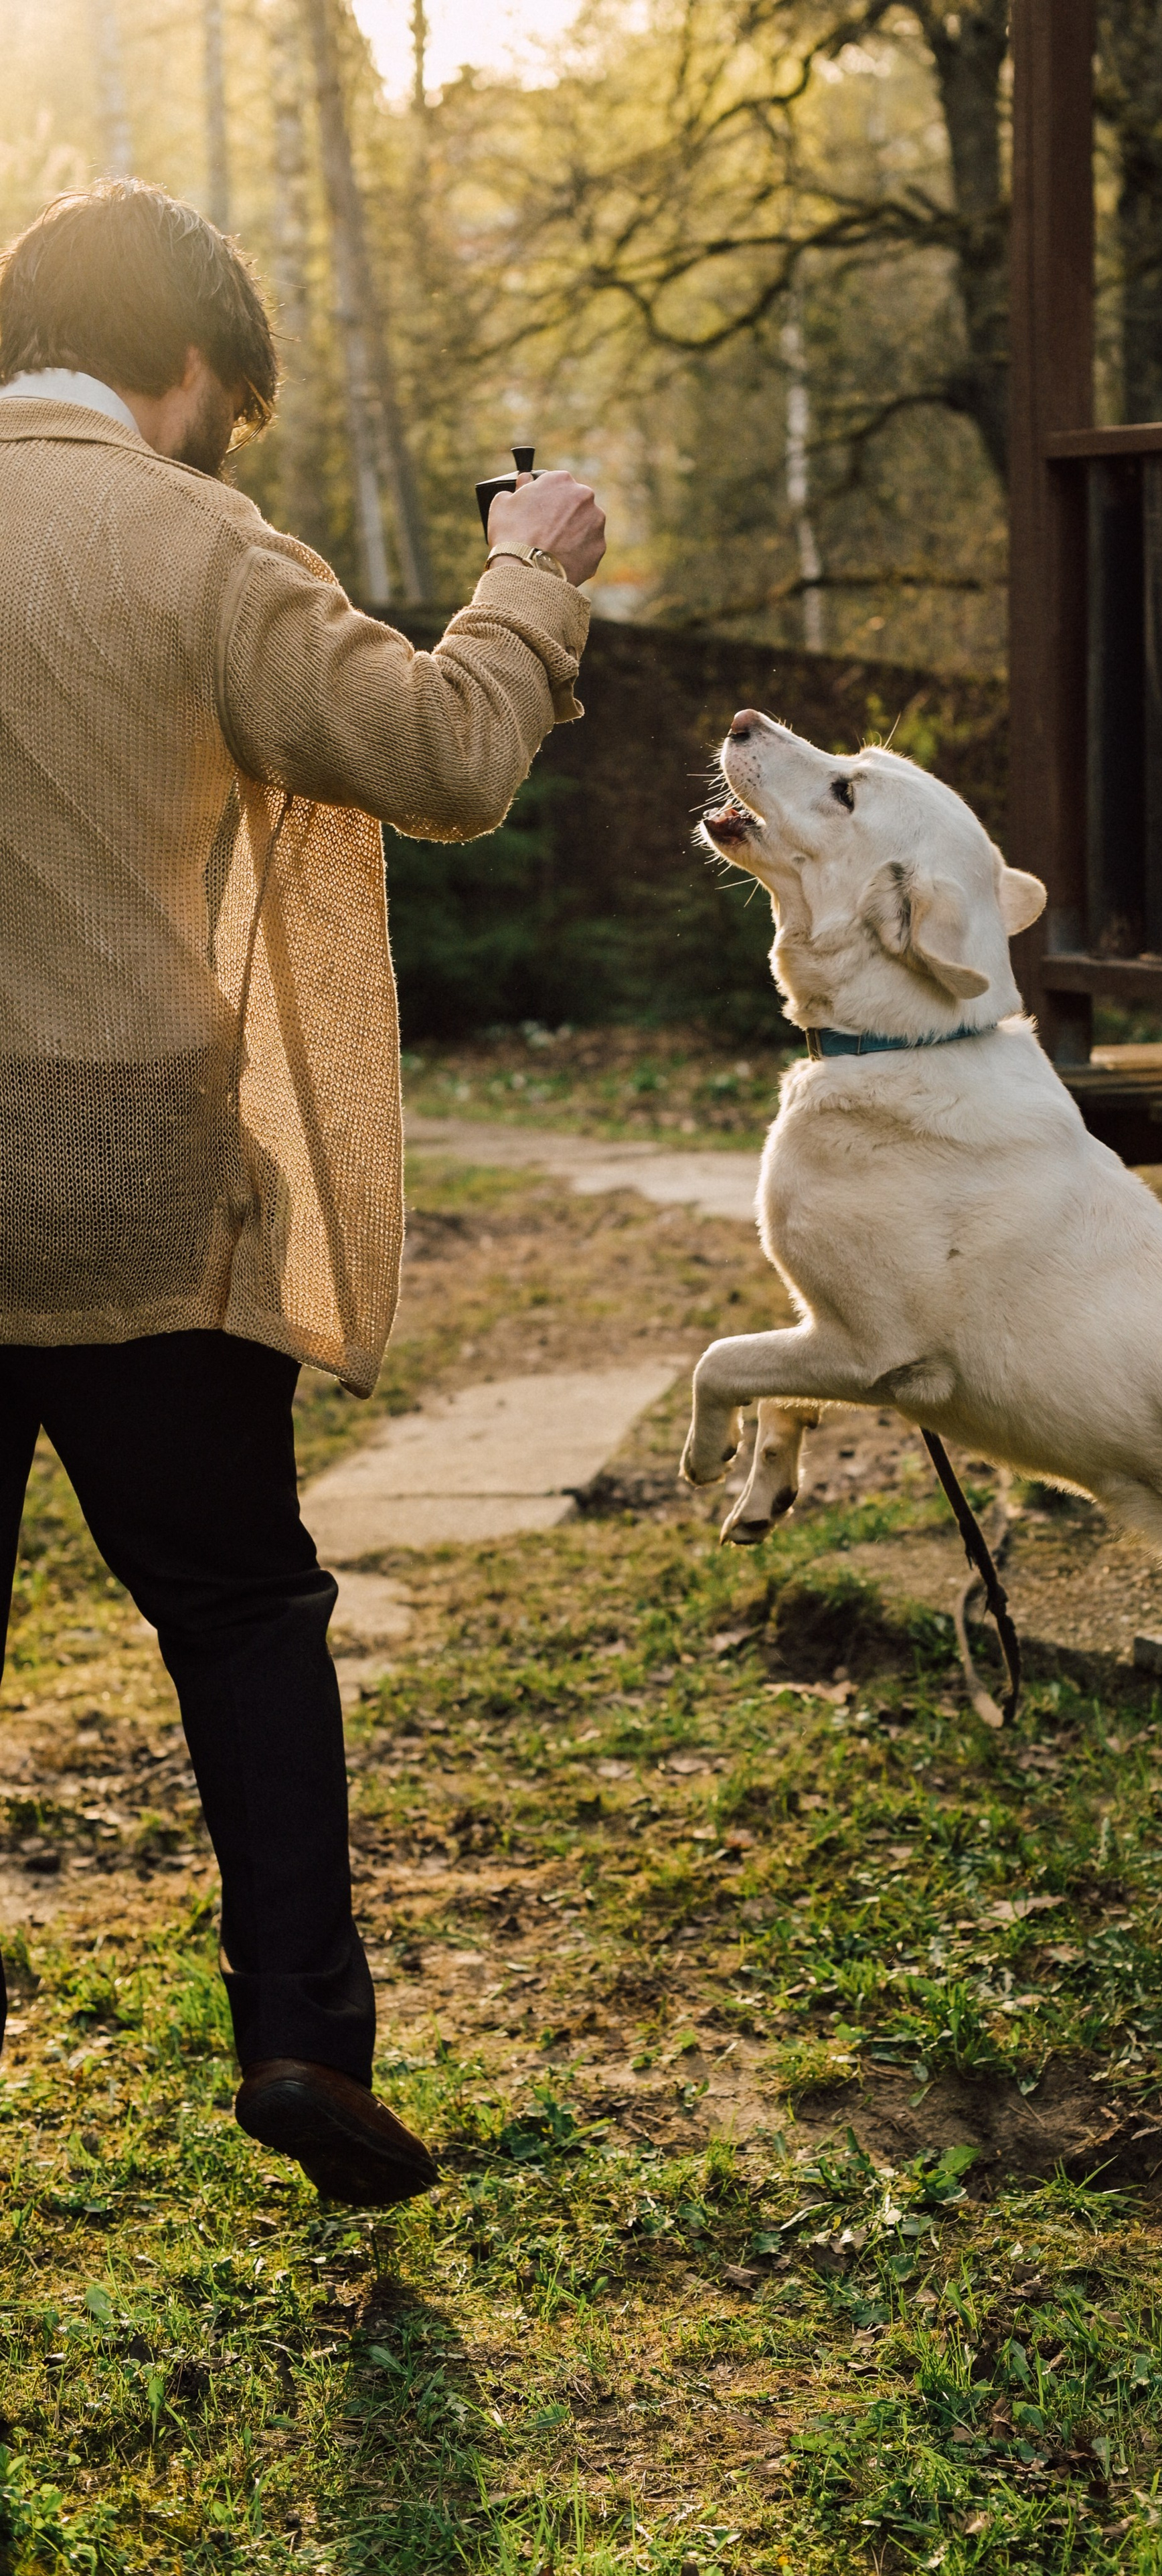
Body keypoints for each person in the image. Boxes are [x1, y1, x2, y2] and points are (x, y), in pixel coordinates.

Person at [0, 179, 604, 2206]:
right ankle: (297, 2038)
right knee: (243, 1609)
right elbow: (443, 757)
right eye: (227, 405)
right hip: (132, 1188)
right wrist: (527, 576)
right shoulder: (185, 537)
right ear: (189, 368)